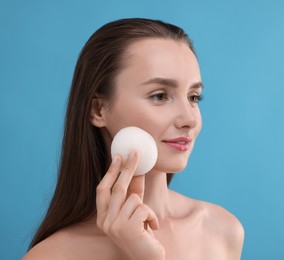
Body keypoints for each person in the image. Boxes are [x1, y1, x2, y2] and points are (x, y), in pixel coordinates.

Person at [24, 18, 244, 259]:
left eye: (193, 97)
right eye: (160, 96)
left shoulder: (222, 229)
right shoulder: (52, 255)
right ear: (98, 110)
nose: (189, 119)